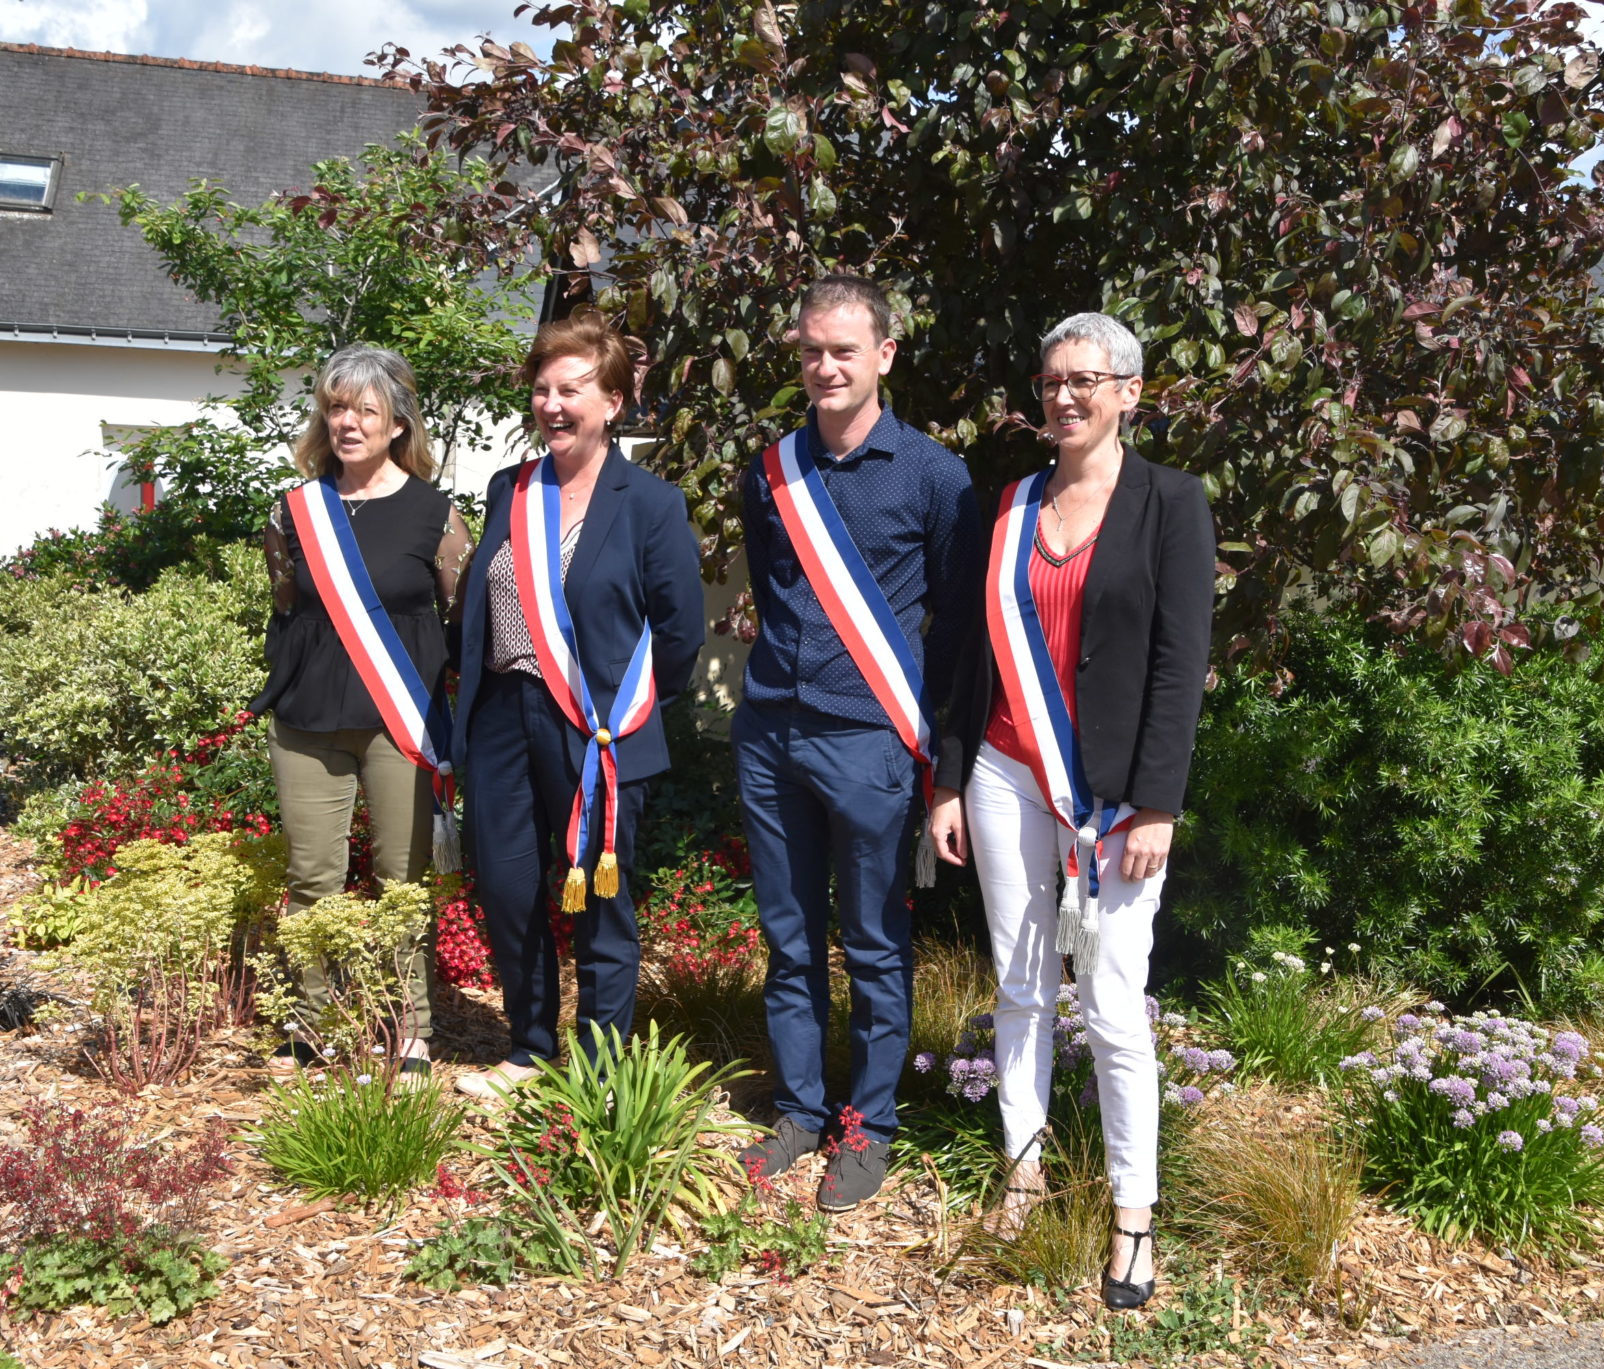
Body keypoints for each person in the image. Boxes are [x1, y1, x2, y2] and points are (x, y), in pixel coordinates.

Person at [927, 312, 1215, 1309]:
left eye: (1083, 380)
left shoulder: (1172, 503)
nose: (1063, 396)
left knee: (1112, 1001)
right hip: (1004, 770)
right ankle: (1024, 1170)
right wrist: (948, 780)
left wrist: (1158, 803)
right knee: (1019, 984)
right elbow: (967, 655)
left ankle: (1133, 1212)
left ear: (1128, 392)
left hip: (1117, 799)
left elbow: (1179, 664)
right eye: (1050, 381)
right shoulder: (1007, 505)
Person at [733, 274, 983, 1211]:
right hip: (770, 732)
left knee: (875, 941)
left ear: (884, 354)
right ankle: (800, 1109)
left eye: (844, 350)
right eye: (811, 350)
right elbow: (773, 583)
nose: (825, 366)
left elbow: (957, 626)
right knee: (788, 934)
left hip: (871, 738)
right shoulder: (771, 471)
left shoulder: (935, 475)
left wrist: (937, 746)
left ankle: (868, 1124)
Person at [451, 308, 704, 1098]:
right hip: (501, 716)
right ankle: (529, 1048)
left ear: (614, 402)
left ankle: (597, 1072)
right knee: (507, 888)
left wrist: (627, 712)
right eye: (543, 389)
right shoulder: (510, 489)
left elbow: (681, 632)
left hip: (596, 729)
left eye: (572, 390)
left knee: (599, 898)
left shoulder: (650, 503)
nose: (553, 405)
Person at [253, 344, 472, 1083]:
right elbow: (286, 613)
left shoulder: (437, 516)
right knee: (311, 878)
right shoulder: (293, 513)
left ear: (397, 422)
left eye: (365, 410)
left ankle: (409, 1029)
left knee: (401, 882)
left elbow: (460, 621)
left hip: (399, 723)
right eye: (335, 408)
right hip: (307, 723)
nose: (347, 423)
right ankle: (310, 1023)